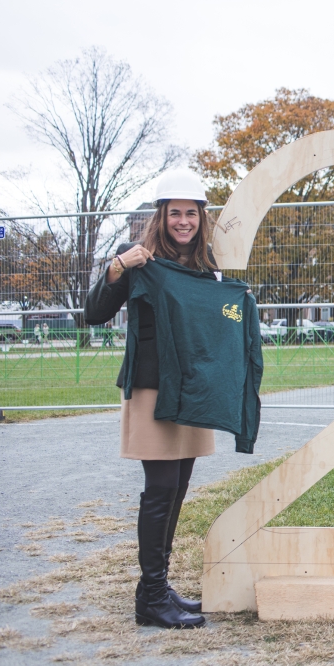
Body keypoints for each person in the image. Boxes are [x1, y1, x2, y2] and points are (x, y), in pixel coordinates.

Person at [84, 169, 222, 630]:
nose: (184, 221)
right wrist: (117, 267)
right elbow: (94, 313)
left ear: (201, 218)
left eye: (191, 213)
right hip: (151, 387)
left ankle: (155, 591)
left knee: (178, 486)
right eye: (175, 213)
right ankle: (152, 596)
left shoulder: (206, 263)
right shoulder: (137, 259)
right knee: (160, 489)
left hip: (191, 387)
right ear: (161, 216)